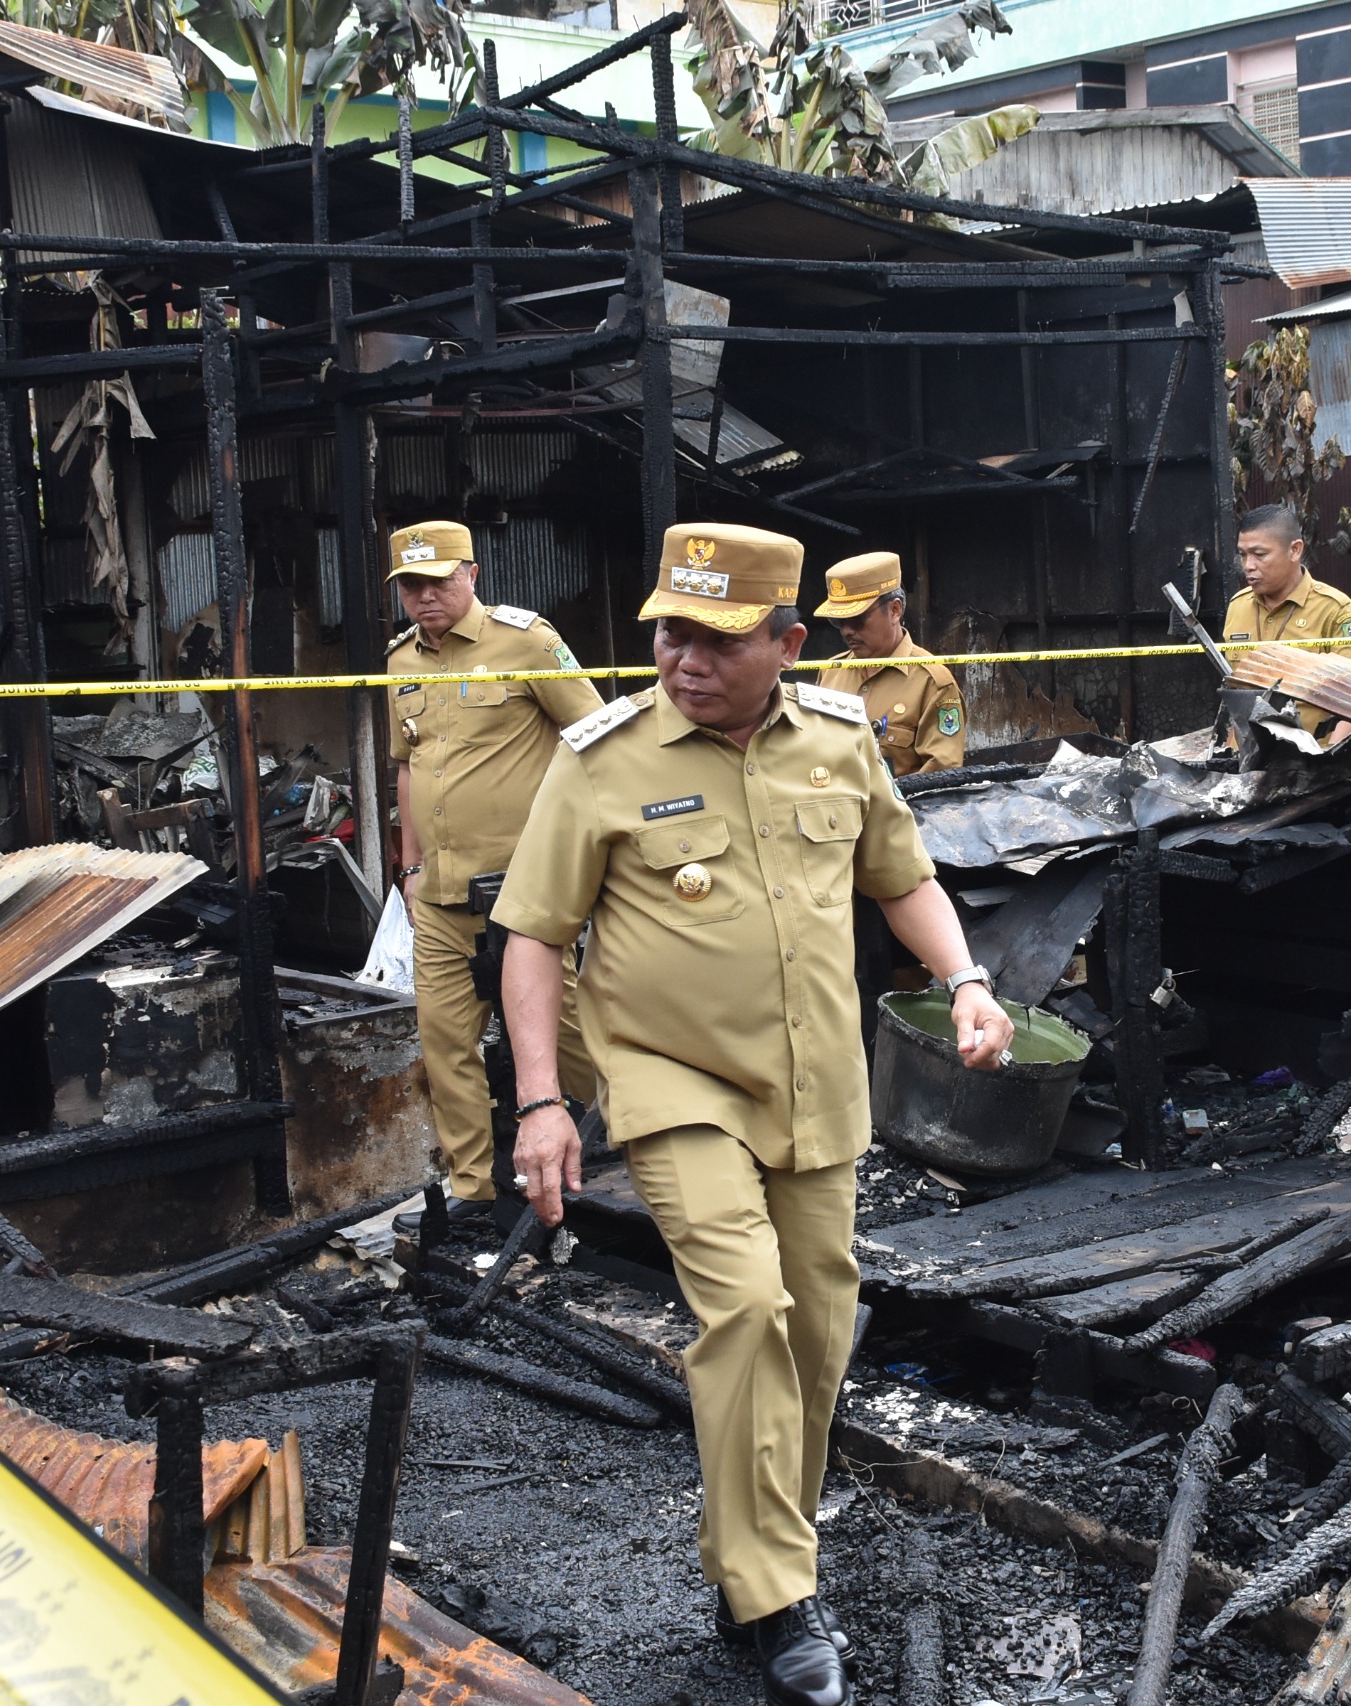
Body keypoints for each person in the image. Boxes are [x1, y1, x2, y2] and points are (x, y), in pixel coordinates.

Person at [494, 522, 1015, 1706]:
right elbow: (530, 934)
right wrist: (540, 1100)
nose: (682, 659)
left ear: (788, 640)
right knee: (745, 1313)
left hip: (820, 1084)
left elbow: (903, 877)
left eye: (716, 639)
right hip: (674, 1081)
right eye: (669, 631)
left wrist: (967, 980)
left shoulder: (838, 742)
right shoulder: (603, 757)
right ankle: (778, 1591)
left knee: (820, 1333)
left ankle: (755, 1540)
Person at [386, 520, 605, 1216]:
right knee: (446, 1046)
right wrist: (411, 868)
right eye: (411, 587)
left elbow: (597, 740)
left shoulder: (528, 642)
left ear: (472, 575)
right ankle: (474, 1193)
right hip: (443, 898)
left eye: (438, 582)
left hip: (527, 897)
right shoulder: (399, 663)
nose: (425, 598)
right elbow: (408, 768)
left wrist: (583, 858)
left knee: (569, 1038)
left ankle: (627, 1151)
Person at [1225, 503, 1351, 739]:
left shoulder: (1335, 611)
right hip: (1245, 765)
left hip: (1310, 765)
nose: (1248, 565)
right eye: (1243, 555)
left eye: (1260, 554)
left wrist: (1326, 760)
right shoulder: (1237, 607)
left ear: (1295, 550)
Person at [811, 551, 965, 777]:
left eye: (857, 619)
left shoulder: (932, 683)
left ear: (895, 610)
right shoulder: (831, 673)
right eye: (838, 622)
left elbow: (941, 774)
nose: (847, 631)